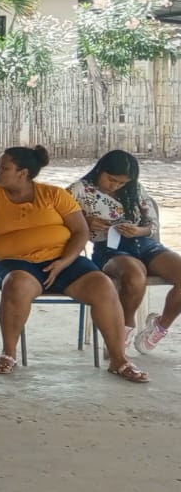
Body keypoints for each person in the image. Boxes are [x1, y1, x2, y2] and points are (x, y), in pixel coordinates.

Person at [0, 146, 146, 382]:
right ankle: (8, 354)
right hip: (16, 263)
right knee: (17, 283)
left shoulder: (54, 194)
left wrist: (64, 262)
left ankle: (119, 360)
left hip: (64, 261)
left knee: (103, 285)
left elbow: (80, 231)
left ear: (22, 173)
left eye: (4, 167)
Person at [67, 149, 180, 354]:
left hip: (145, 244)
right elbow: (56, 218)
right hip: (110, 249)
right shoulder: (79, 190)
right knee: (134, 276)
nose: (115, 186)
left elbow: (152, 225)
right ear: (100, 169)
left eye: (121, 183)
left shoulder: (135, 189)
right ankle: (125, 327)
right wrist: (85, 221)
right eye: (111, 180)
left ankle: (160, 325)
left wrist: (139, 230)